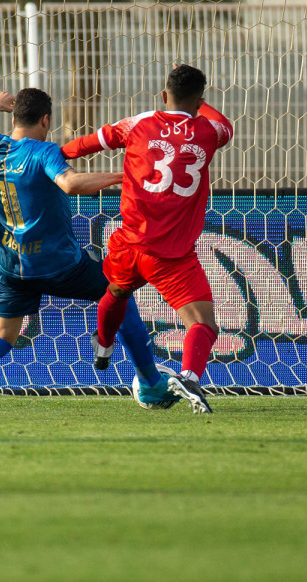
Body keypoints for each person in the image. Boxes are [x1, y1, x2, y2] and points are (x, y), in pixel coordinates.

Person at [0, 89, 179, 413]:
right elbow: (71, 183)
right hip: (59, 264)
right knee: (119, 293)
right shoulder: (43, 151)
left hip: (12, 267)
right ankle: (149, 383)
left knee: (2, 337)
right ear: (46, 120)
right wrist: (124, 176)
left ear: (15, 116)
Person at [62, 64, 233, 415]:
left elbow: (84, 146)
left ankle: (105, 345)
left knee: (115, 292)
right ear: (200, 102)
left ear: (162, 95)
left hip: (129, 244)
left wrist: (53, 156)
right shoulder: (212, 131)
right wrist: (201, 105)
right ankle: (188, 375)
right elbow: (222, 122)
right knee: (202, 324)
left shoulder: (138, 123)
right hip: (173, 256)